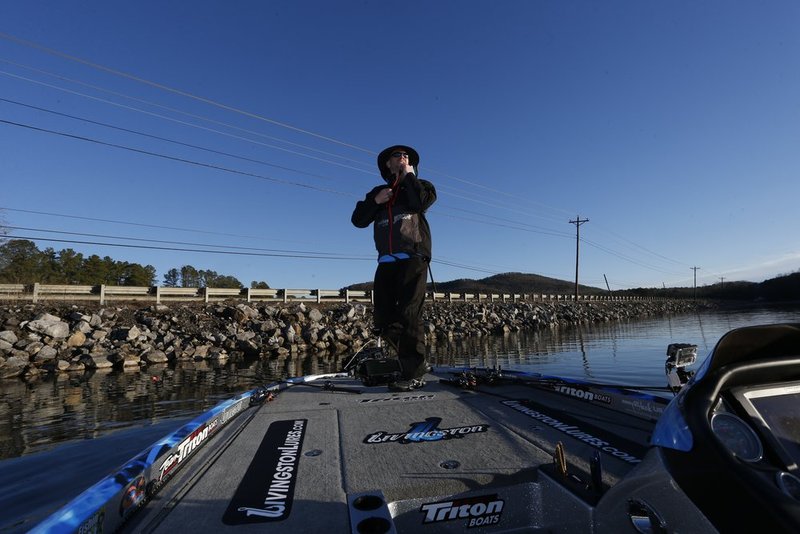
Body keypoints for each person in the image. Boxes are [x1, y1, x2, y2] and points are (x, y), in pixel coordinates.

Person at [351, 144, 436, 391]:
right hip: (386, 262)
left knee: (409, 314)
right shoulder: (378, 192)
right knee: (384, 319)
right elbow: (358, 220)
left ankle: (412, 372)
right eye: (397, 155)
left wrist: (409, 176)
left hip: (413, 258)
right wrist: (376, 201)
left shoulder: (422, 186)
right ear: (387, 164)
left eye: (406, 156)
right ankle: (416, 361)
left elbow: (420, 203)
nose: (403, 158)